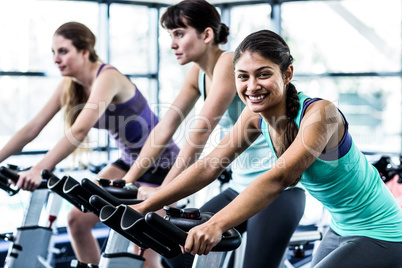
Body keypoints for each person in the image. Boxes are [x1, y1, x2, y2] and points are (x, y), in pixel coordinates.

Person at [132, 29, 402, 268]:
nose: (252, 86)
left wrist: (216, 224)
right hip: (340, 228)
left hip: (382, 232)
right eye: (243, 76)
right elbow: (209, 166)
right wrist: (145, 206)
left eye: (263, 74)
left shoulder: (321, 114)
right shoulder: (254, 116)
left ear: (287, 74)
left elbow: (280, 178)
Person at [122, 1, 305, 267]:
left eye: (179, 34)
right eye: (170, 35)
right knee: (176, 251)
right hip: (238, 189)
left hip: (276, 192)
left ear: (207, 35)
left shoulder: (228, 64)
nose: (172, 43)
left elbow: (199, 134)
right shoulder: (197, 73)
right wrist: (129, 181)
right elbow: (165, 127)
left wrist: (164, 192)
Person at [0, 22, 179, 266]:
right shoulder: (70, 84)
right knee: (77, 220)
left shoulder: (108, 77)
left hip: (163, 166)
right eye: (53, 52)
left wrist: (40, 169)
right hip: (128, 162)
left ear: (85, 52)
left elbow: (80, 129)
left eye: (63, 51)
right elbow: (33, 128)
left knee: (144, 251)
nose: (56, 59)